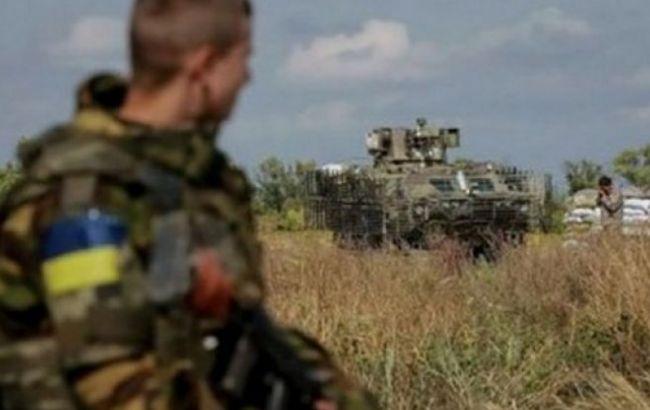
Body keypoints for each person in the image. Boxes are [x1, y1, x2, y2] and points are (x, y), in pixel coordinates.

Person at [0, 1, 376, 409]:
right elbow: (113, 389)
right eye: (242, 59)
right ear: (204, 66)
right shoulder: (86, 199)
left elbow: (232, 332)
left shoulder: (190, 180)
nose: (247, 76)